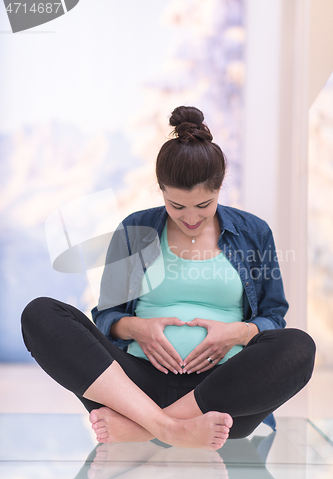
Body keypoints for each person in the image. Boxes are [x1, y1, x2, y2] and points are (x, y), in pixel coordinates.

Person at [21, 106, 315, 450]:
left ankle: (145, 428)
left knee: (299, 347)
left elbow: (274, 316)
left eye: (204, 205)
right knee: (40, 314)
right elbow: (106, 317)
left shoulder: (253, 232)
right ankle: (169, 427)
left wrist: (237, 332)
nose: (191, 218)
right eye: (177, 206)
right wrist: (136, 329)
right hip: (134, 386)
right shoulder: (135, 229)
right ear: (160, 190)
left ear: (220, 187)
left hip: (221, 393)